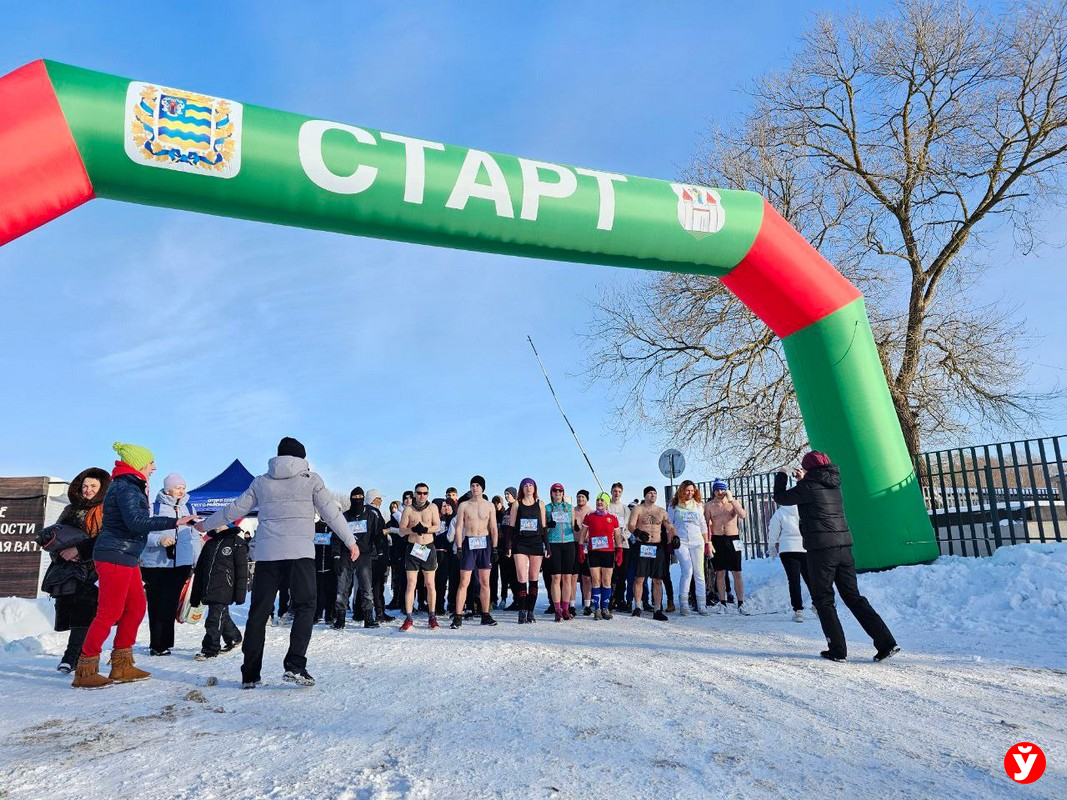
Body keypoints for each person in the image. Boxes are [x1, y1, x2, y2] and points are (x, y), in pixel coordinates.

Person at [194, 437, 359, 689]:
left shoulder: (261, 482)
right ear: (302, 458)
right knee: (305, 606)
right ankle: (295, 664)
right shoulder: (311, 480)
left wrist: (204, 526)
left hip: (268, 555)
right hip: (300, 554)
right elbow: (331, 513)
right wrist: (350, 541)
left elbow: (234, 509)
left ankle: (250, 673)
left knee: (258, 612)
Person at [73, 443, 197, 689]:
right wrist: (175, 521)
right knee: (109, 612)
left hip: (126, 555)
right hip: (114, 554)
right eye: (151, 462)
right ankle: (86, 668)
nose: (154, 467)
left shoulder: (131, 484)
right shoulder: (127, 486)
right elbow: (136, 522)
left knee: (137, 607)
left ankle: (121, 663)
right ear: (139, 463)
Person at [773, 451, 900, 663]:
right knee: (853, 597)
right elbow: (814, 493)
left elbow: (781, 498)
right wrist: (803, 480)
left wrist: (781, 475)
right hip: (843, 547)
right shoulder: (834, 485)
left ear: (808, 469)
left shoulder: (808, 487)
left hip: (821, 550)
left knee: (823, 599)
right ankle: (886, 642)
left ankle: (837, 649)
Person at [42, 467, 110, 673]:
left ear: (102, 488)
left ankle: (72, 657)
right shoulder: (70, 510)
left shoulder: (107, 510)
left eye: (93, 486)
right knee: (76, 614)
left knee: (85, 612)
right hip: (70, 571)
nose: (88, 490)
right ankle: (83, 655)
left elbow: (106, 538)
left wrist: (80, 551)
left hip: (96, 568)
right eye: (85, 486)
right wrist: (61, 553)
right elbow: (55, 535)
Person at [140, 472, 202, 656]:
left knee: (170, 603)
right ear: (167, 489)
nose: (181, 491)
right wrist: (159, 540)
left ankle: (165, 643)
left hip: (181, 564)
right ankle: (157, 644)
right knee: (156, 603)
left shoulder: (190, 508)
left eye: (183, 487)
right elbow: (141, 534)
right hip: (155, 564)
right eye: (177, 487)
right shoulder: (154, 508)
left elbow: (194, 537)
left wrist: (197, 561)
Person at [191, 521, 248, 660]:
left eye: (220, 522)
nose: (216, 525)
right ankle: (234, 637)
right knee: (221, 615)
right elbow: (200, 570)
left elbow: (242, 570)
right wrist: (196, 593)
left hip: (225, 588)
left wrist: (240, 593)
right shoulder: (210, 543)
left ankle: (210, 648)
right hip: (209, 587)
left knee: (214, 619)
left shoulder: (237, 543)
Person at [451, 475, 499, 628]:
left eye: (478, 485)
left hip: (484, 543)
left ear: (483, 487)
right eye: (472, 485)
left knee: (485, 581)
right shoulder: (464, 505)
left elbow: (493, 528)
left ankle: (485, 614)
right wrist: (459, 546)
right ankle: (458, 616)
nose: (475, 488)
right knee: (464, 581)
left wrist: (495, 547)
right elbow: (458, 527)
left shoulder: (490, 505)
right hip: (469, 543)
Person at [337, 486, 385, 629]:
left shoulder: (370, 515)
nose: (357, 500)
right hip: (346, 555)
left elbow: (377, 534)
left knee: (366, 587)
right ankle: (340, 617)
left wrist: (381, 551)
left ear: (364, 499)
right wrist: (336, 555)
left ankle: (368, 617)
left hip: (364, 555)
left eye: (360, 498)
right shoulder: (344, 517)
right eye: (354, 498)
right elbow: (336, 537)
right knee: (342, 587)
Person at [626, 486, 675, 620]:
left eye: (654, 493)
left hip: (657, 546)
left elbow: (670, 526)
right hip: (642, 545)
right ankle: (637, 606)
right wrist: (638, 532)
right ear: (645, 495)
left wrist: (674, 536)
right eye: (650, 493)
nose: (653, 495)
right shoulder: (638, 509)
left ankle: (657, 609)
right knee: (640, 578)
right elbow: (630, 525)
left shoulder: (661, 511)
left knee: (657, 579)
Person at [399, 482, 442, 631]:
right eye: (419, 493)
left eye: (425, 493)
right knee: (411, 584)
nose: (421, 496)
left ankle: (432, 616)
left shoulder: (432, 508)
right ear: (414, 493)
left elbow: (438, 526)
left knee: (430, 584)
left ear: (428, 494)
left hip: (428, 548)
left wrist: (426, 529)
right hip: (413, 549)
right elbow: (401, 530)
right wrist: (413, 529)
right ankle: (409, 617)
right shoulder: (408, 509)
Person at [507, 477, 548, 624]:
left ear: (535, 487)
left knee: (533, 577)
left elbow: (544, 527)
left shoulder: (540, 504)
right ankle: (522, 610)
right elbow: (511, 527)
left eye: (531, 485)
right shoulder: (517, 504)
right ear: (522, 488)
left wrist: (547, 546)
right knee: (521, 576)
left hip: (536, 543)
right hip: (520, 543)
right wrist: (509, 546)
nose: (528, 488)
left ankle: (531, 611)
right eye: (525, 485)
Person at [704, 479, 749, 614]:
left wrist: (732, 500)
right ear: (713, 491)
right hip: (718, 539)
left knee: (737, 572)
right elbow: (706, 525)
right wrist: (708, 542)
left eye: (722, 489)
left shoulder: (733, 503)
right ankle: (722, 602)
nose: (719, 492)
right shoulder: (709, 506)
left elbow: (743, 515)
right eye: (717, 490)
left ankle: (741, 602)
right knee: (720, 572)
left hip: (733, 539)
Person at [669, 480, 711, 616]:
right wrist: (672, 540)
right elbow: (670, 524)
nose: (690, 493)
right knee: (687, 571)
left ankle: (701, 604)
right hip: (681, 542)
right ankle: (684, 603)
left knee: (699, 573)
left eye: (692, 491)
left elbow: (703, 524)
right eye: (687, 490)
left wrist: (707, 543)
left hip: (697, 541)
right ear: (682, 490)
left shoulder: (698, 505)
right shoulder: (674, 505)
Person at [580, 492, 623, 619]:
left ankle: (605, 608)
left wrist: (620, 550)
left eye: (602, 501)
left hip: (608, 553)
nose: (599, 502)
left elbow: (617, 536)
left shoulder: (612, 518)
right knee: (596, 580)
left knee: (606, 580)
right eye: (598, 500)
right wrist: (580, 548)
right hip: (594, 552)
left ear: (606, 503)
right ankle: (597, 608)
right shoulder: (590, 516)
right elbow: (583, 533)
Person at [767, 503, 811, 622]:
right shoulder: (805, 509)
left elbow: (773, 530)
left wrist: (772, 546)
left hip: (787, 549)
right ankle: (818, 605)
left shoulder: (780, 512)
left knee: (793, 580)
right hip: (805, 548)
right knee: (811, 578)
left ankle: (798, 611)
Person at [543, 483, 578, 622]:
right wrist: (548, 526)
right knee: (556, 578)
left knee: (567, 578)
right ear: (551, 493)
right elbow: (543, 527)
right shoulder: (547, 508)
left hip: (569, 543)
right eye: (555, 491)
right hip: (554, 544)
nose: (558, 493)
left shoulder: (569, 508)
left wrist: (576, 526)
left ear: (563, 493)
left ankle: (565, 608)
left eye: (560, 491)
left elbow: (574, 524)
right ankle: (557, 608)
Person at [366, 489, 393, 623]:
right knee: (377, 584)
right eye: (379, 498)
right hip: (376, 554)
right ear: (373, 499)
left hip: (372, 553)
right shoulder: (373, 512)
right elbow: (375, 532)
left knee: (370, 584)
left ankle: (367, 611)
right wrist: (388, 531)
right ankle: (379, 611)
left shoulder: (368, 511)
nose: (381, 501)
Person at [606, 483, 631, 612]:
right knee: (611, 574)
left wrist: (622, 537)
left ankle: (621, 598)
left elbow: (629, 527)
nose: (617, 493)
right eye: (615, 491)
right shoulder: (607, 507)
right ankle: (610, 598)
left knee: (622, 574)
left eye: (619, 491)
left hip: (623, 545)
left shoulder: (625, 509)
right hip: (609, 545)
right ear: (611, 491)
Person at [498, 488, 519, 609]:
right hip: (505, 545)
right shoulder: (507, 510)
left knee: (515, 575)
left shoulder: (517, 508)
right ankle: (515, 599)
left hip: (514, 546)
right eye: (505, 494)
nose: (506, 496)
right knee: (508, 575)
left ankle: (518, 600)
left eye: (508, 494)